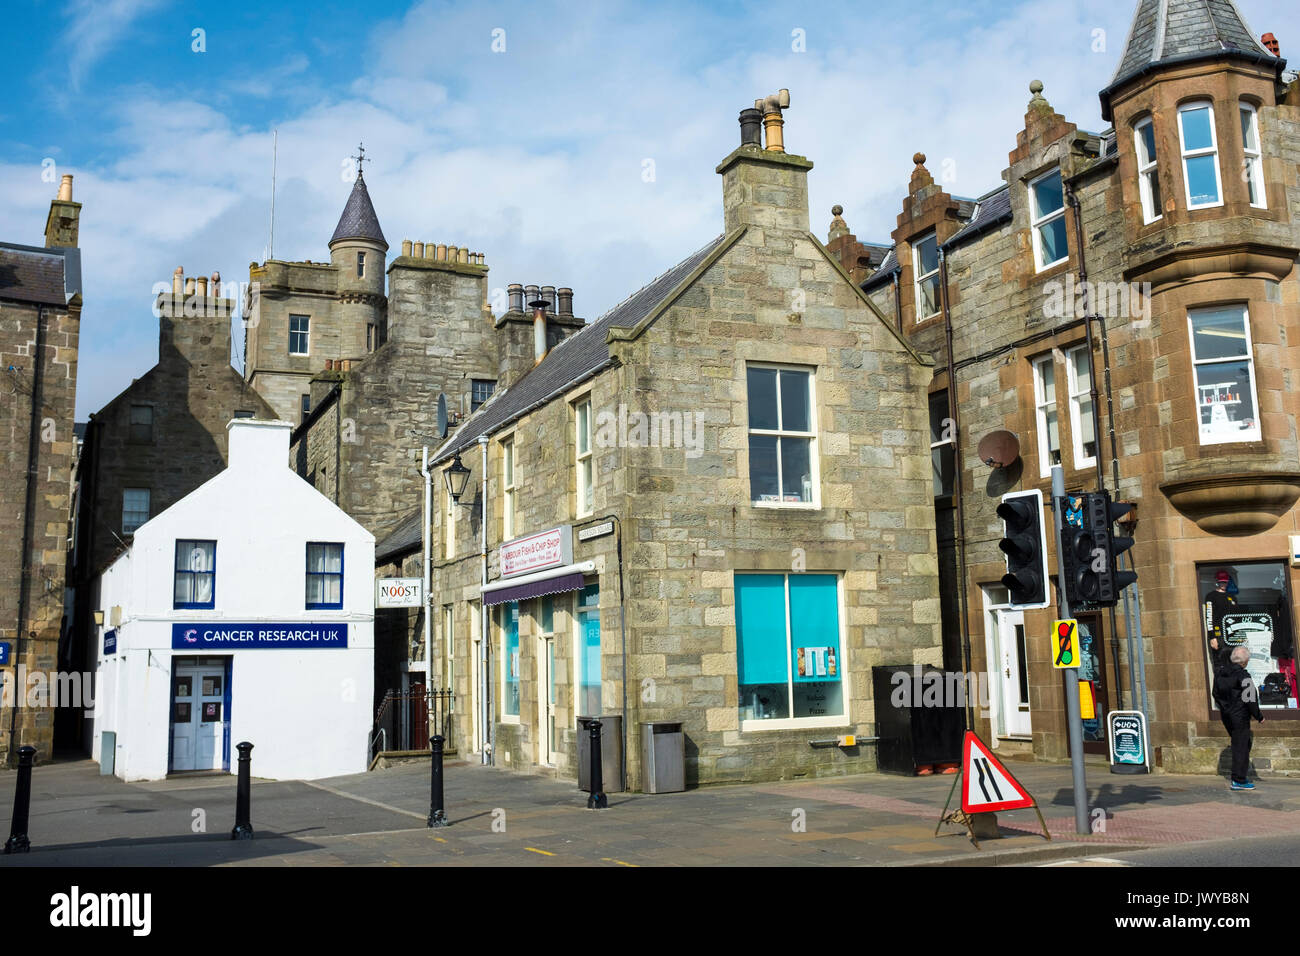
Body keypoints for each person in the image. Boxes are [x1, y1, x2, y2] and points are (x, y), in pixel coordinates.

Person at [1213, 646, 1264, 791]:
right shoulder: (1243, 675)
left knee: (1240, 743)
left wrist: (1225, 707)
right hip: (1239, 716)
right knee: (1241, 746)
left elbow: (1215, 693)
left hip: (1226, 715)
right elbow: (1250, 697)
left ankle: (1238, 777)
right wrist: (1259, 716)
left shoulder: (1220, 673)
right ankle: (1239, 780)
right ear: (1245, 661)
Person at [1204, 569, 1236, 668]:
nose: (1223, 584)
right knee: (1220, 664)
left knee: (1234, 662)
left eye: (1225, 582)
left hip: (1232, 635)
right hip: (1219, 635)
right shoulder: (1211, 596)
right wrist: (1212, 637)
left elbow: (1237, 616)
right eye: (1221, 582)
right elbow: (1209, 617)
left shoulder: (1232, 597)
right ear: (1216, 582)